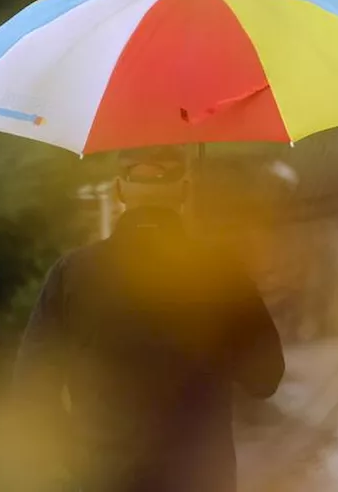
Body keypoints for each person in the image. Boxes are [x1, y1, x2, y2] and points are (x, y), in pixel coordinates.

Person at [14, 146, 285, 492]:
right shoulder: (222, 274)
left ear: (119, 190)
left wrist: (76, 458)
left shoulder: (71, 274)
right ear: (185, 191)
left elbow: (31, 391)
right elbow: (266, 379)